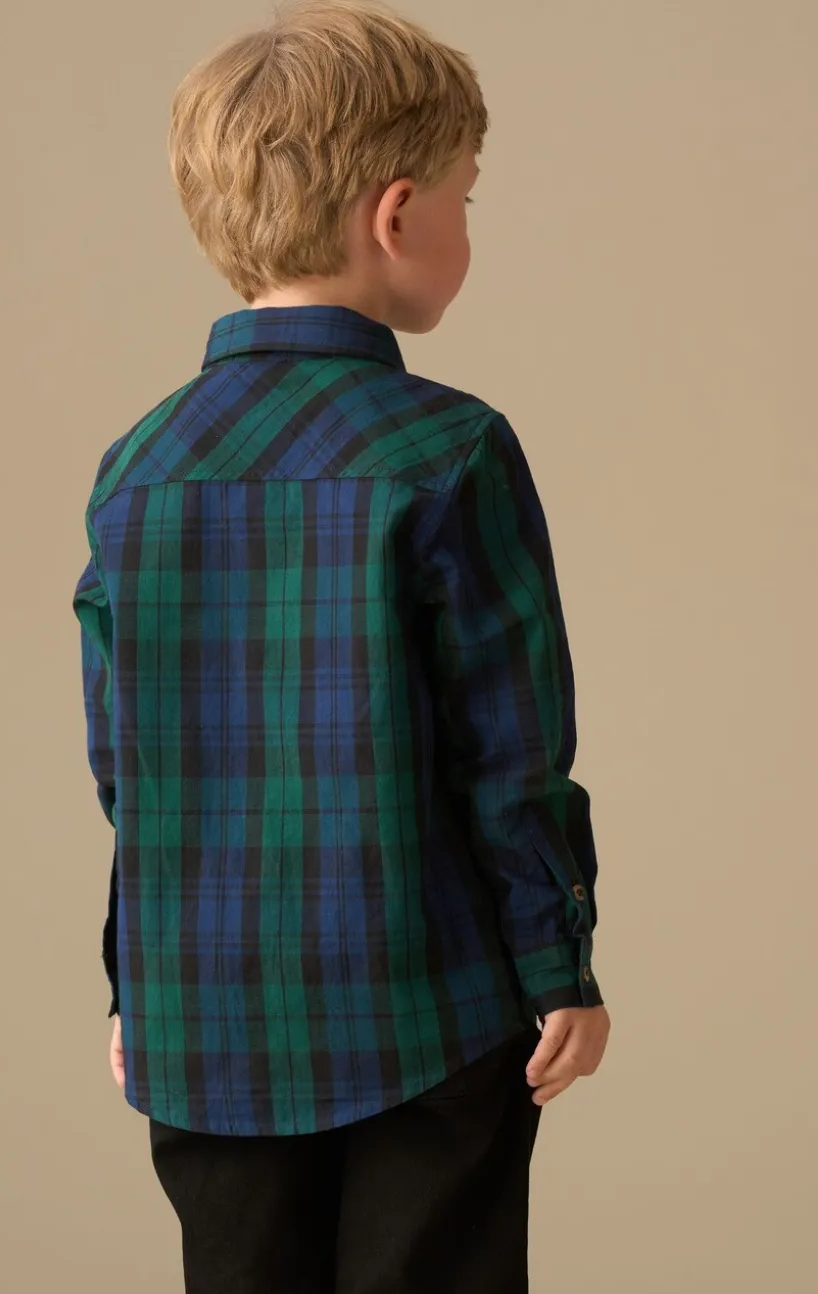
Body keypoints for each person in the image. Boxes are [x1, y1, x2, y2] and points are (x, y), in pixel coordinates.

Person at [72, 3, 611, 1290]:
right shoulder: (450, 449)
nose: (469, 224)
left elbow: (127, 766)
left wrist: (133, 983)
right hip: (429, 1006)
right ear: (398, 214)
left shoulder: (137, 467)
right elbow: (510, 751)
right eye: (468, 198)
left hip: (202, 1019)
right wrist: (558, 963)